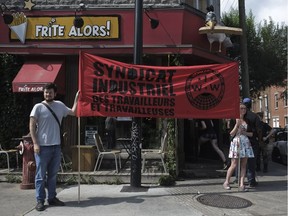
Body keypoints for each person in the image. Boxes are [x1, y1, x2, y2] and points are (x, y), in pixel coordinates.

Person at [29, 83, 79, 211]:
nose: (48, 94)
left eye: (50, 92)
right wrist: (35, 143)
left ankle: (52, 198)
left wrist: (77, 98)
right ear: (43, 93)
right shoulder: (38, 107)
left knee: (53, 175)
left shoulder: (60, 106)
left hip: (56, 146)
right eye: (46, 92)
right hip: (42, 147)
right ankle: (40, 200)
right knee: (40, 176)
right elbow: (32, 126)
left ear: (55, 94)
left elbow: (73, 112)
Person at [223, 103, 254, 192]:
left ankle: (241, 184)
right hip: (236, 141)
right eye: (241, 108)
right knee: (234, 164)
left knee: (244, 165)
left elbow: (251, 133)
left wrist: (244, 132)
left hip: (245, 142)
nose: (243, 110)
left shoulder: (247, 120)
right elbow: (231, 133)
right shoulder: (233, 120)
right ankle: (226, 182)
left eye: (244, 108)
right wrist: (237, 125)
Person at [242, 98, 262, 187]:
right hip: (252, 141)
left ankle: (238, 179)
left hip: (241, 141)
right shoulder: (255, 116)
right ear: (251, 105)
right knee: (251, 162)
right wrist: (260, 140)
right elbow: (259, 130)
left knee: (239, 162)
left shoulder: (240, 116)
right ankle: (251, 181)